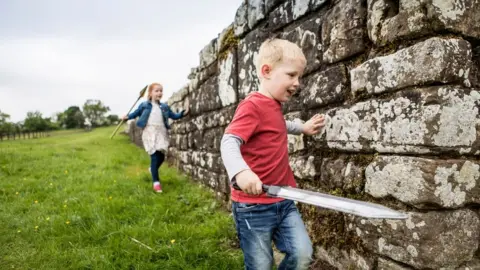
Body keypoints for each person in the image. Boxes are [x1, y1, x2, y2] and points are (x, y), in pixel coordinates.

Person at [220, 38, 325, 269]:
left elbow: (279, 125)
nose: (298, 83)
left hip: (284, 199)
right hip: (253, 206)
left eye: (299, 76)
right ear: (266, 71)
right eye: (291, 75)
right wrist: (240, 172)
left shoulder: (274, 105)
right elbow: (228, 142)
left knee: (302, 254)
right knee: (261, 265)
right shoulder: (252, 106)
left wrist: (303, 128)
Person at [123, 82, 189, 193]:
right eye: (156, 91)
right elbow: (135, 113)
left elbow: (173, 116)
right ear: (150, 93)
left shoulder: (164, 107)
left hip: (161, 133)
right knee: (154, 157)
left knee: (162, 157)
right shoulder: (144, 105)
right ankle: (156, 183)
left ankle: (152, 169)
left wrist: (182, 114)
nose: (159, 93)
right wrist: (127, 117)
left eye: (161, 90)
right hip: (149, 132)